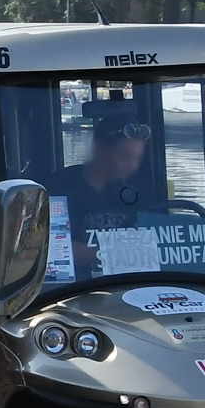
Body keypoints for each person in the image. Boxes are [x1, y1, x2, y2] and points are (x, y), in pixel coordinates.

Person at [51, 94, 152, 277]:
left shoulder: (143, 189)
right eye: (124, 157)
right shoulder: (61, 187)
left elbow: (162, 238)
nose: (132, 165)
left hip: (135, 284)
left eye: (137, 158)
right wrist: (113, 255)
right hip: (76, 290)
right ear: (99, 148)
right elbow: (55, 248)